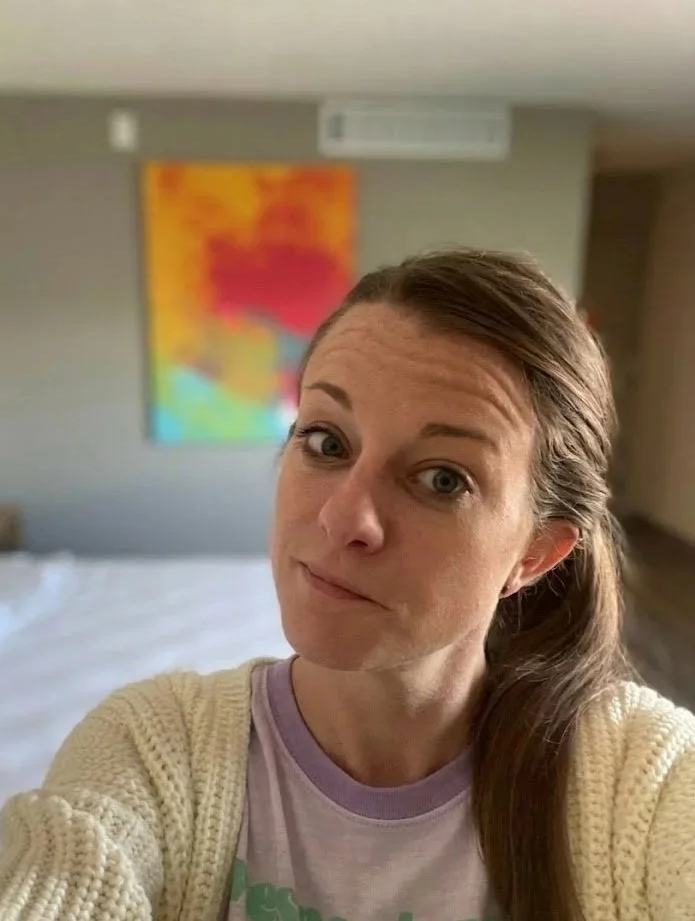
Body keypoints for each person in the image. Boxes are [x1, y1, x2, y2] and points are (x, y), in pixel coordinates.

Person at [1, 247, 694, 921]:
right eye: (327, 442)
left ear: (535, 553)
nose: (344, 518)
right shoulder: (151, 750)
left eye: (442, 479)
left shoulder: (640, 779)